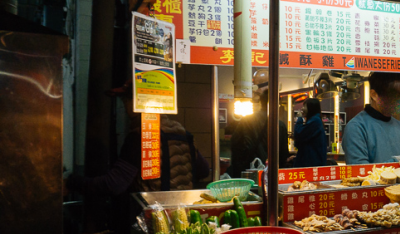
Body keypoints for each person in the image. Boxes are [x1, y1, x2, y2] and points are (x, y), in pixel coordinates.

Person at [66, 81, 210, 196]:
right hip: (182, 213)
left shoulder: (140, 136)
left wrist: (72, 183)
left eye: (126, 101)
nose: (125, 107)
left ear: (138, 102)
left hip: (152, 215)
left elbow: (115, 185)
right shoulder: (183, 132)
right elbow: (204, 170)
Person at [342, 72, 400, 164]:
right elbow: (360, 173)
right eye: (393, 98)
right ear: (374, 95)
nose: (398, 103)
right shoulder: (356, 128)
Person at [229, 88, 290, 177]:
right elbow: (283, 153)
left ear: (261, 102)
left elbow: (234, 143)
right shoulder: (280, 125)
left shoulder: (246, 120)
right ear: (277, 104)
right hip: (271, 173)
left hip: (248, 170)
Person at [293, 98, 327, 167]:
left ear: (311, 107)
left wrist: (299, 119)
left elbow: (299, 134)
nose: (302, 109)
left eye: (304, 106)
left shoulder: (315, 121)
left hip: (311, 163)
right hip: (312, 162)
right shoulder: (314, 121)